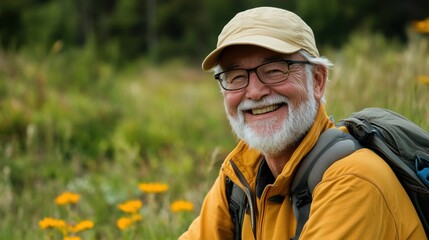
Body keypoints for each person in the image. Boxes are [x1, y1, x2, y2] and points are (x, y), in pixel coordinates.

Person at [180, 6, 426, 240]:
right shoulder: (240, 175)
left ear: (317, 81)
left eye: (275, 70)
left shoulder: (354, 181)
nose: (254, 92)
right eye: (236, 77)